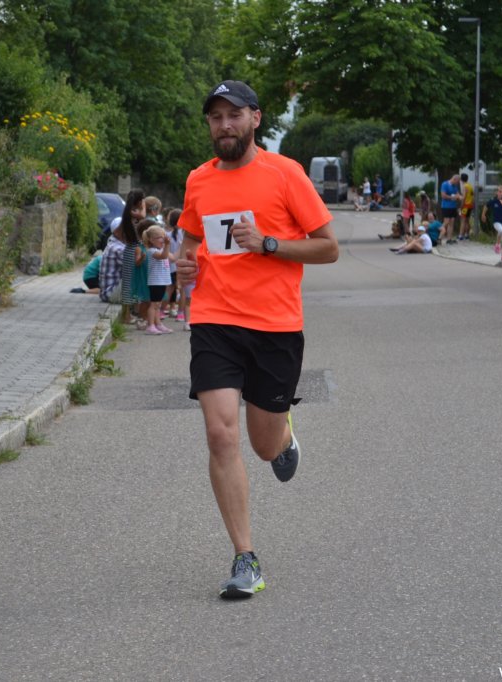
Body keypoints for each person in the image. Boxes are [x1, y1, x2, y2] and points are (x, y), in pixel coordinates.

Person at [176, 80, 339, 598]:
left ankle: (283, 436)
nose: (224, 125)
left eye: (234, 115)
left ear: (255, 119)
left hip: (274, 327)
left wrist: (268, 244)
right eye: (215, 117)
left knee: (263, 446)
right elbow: (190, 241)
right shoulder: (199, 180)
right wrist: (184, 266)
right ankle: (245, 557)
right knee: (220, 435)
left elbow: (328, 247)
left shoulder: (285, 174)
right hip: (214, 322)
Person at [117, 189, 147, 324]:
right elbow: (143, 215)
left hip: (131, 249)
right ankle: (126, 316)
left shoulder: (129, 212)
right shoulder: (133, 212)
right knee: (129, 284)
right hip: (132, 250)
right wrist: (144, 204)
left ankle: (129, 314)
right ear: (139, 201)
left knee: (132, 282)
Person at [142, 224, 174, 334]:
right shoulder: (152, 251)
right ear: (151, 240)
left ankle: (158, 324)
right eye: (159, 237)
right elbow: (163, 256)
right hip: (156, 282)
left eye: (163, 236)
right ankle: (150, 325)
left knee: (158, 305)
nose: (162, 239)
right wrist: (167, 245)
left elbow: (172, 258)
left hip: (161, 281)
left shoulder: (160, 249)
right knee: (154, 304)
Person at [481, 185, 502, 261]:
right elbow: (486, 206)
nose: (501, 193)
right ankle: (497, 245)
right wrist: (483, 214)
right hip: (496, 222)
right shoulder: (493, 200)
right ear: (497, 192)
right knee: (501, 231)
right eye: (500, 192)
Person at [439, 174, 462, 243]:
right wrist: (452, 197)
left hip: (453, 206)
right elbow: (443, 195)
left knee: (451, 222)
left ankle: (449, 239)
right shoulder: (445, 184)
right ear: (454, 179)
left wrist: (460, 197)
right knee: (446, 222)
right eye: (457, 182)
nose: (457, 183)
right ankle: (439, 237)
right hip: (446, 206)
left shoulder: (455, 186)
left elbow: (457, 194)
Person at [459, 173, 475, 241]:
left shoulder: (464, 186)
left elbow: (464, 196)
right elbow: (472, 196)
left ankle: (461, 235)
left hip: (465, 205)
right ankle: (467, 235)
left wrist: (461, 205)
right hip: (470, 204)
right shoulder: (470, 186)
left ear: (461, 179)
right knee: (467, 221)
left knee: (463, 220)